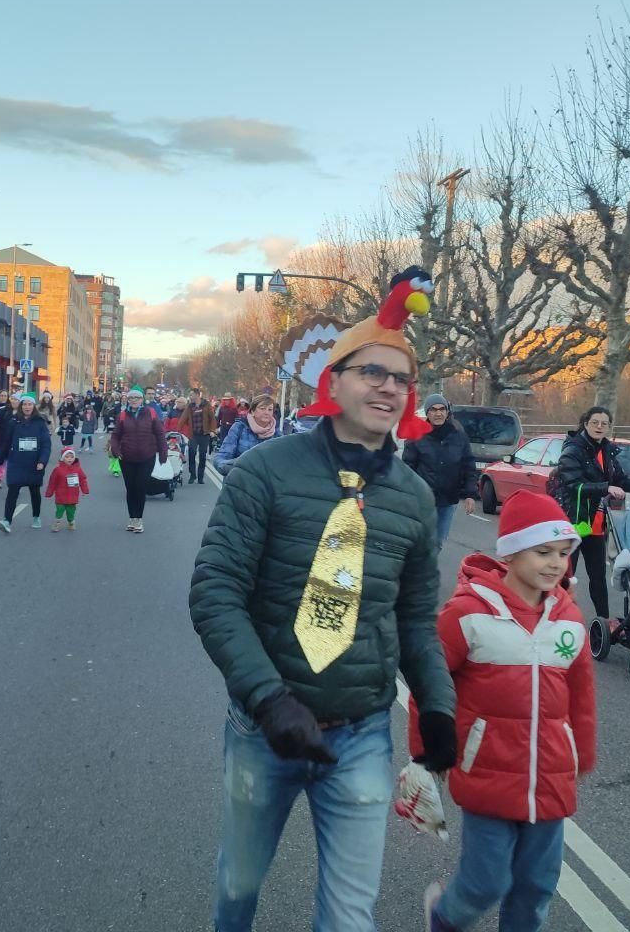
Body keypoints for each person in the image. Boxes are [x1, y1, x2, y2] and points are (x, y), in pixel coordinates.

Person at [189, 283, 456, 932]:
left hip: (361, 733)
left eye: (402, 379)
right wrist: (270, 700)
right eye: (372, 372)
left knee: (349, 916)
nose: (389, 388)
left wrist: (438, 706)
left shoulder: (415, 498)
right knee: (238, 886)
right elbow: (215, 593)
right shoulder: (265, 472)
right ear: (333, 382)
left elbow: (416, 621)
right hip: (264, 729)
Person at [416, 490, 596, 932]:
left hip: (551, 777)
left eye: (563, 553)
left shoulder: (569, 620)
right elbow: (428, 680)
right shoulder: (468, 613)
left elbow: (581, 694)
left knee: (536, 885)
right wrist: (426, 752)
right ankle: (444, 917)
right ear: (511, 553)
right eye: (542, 552)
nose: (555, 564)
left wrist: (582, 752)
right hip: (489, 775)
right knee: (486, 882)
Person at [554, 406, 630, 620]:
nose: (599, 427)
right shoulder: (573, 450)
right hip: (573, 522)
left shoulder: (606, 450)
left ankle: (603, 623)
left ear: (609, 427)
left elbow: (620, 478)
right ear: (586, 424)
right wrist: (606, 488)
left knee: (598, 577)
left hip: (595, 525)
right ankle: (556, 618)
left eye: (604, 423)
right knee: (564, 576)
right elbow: (573, 484)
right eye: (595, 422)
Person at [402, 394, 479, 548]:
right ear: (427, 413)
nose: (438, 413)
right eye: (433, 410)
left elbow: (468, 465)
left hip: (448, 499)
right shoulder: (417, 437)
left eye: (442, 409)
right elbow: (408, 468)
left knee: (438, 542)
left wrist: (470, 494)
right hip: (424, 499)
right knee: (422, 541)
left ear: (447, 412)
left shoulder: (459, 436)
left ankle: (428, 562)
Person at [110, 385, 166, 533]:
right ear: (128, 400)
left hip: (147, 457)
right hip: (126, 458)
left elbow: (160, 434)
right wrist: (116, 450)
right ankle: (132, 518)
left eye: (137, 397)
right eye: (131, 398)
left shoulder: (151, 413)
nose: (134, 400)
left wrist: (163, 453)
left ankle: (138, 519)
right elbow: (115, 435)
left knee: (140, 487)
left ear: (142, 399)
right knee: (131, 489)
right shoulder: (122, 415)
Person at [0, 393, 51, 533]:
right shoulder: (14, 422)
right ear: (21, 406)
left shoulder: (40, 422)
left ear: (34, 406)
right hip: (17, 462)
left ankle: (36, 517)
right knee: (12, 491)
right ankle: (7, 521)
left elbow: (46, 444)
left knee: (34, 491)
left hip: (34, 462)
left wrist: (42, 461)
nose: (27, 407)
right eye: (25, 404)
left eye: (30, 404)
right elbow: (6, 441)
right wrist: (0, 457)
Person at [214, 395, 280, 474]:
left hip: (266, 480)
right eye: (262, 408)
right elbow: (222, 457)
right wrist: (235, 468)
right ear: (252, 411)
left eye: (270, 409)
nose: (266, 412)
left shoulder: (277, 435)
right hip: (240, 478)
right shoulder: (240, 428)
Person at [45, 446, 90, 531]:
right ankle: (57, 523)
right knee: (59, 510)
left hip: (72, 495)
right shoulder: (57, 470)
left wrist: (85, 490)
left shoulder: (78, 469)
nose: (70, 459)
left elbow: (82, 480)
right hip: (60, 495)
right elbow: (52, 481)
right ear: (63, 458)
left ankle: (71, 522)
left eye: (72, 457)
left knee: (71, 511)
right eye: (67, 457)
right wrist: (49, 492)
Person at [179, 387, 216, 485]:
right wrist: (178, 430)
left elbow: (212, 418)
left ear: (197, 395)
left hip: (204, 434)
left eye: (191, 395)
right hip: (193, 435)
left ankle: (200, 477)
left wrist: (212, 430)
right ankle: (192, 475)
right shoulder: (190, 406)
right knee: (192, 453)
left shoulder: (206, 404)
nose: (190, 397)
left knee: (202, 456)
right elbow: (183, 418)